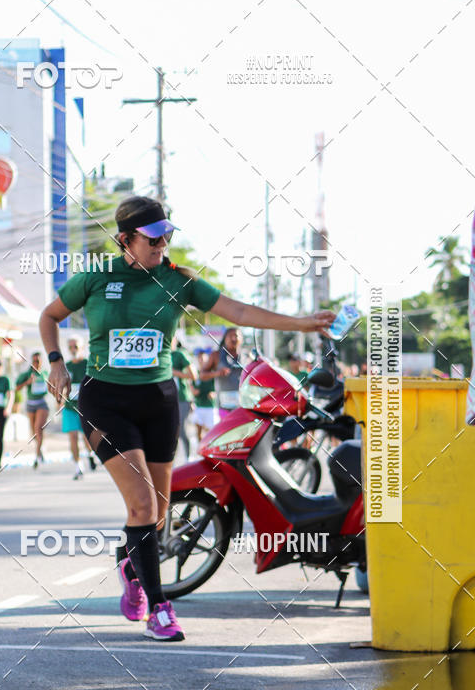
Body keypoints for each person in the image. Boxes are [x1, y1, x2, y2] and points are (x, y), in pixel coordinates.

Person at [39, 195, 334, 642]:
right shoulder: (97, 278)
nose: (163, 244)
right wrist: (57, 361)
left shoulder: (179, 281)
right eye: (153, 238)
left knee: (157, 515)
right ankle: (159, 609)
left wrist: (302, 324)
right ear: (125, 240)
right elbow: (49, 316)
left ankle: (129, 563)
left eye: (167, 235)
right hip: (105, 400)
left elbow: (237, 311)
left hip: (159, 401)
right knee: (140, 503)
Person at [63, 336, 97, 479]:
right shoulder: (66, 366)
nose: (73, 350)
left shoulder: (87, 364)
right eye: (70, 347)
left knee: (86, 438)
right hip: (69, 407)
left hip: (85, 408)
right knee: (72, 437)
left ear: (81, 348)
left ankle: (90, 454)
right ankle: (78, 467)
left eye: (75, 346)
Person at [201, 327, 244, 419]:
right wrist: (217, 373)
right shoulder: (216, 355)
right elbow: (202, 375)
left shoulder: (247, 357)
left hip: (243, 405)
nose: (233, 339)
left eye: (236, 336)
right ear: (225, 338)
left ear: (241, 339)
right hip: (224, 406)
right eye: (230, 336)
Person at [15, 352, 49, 468]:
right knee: (35, 433)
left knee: (38, 428)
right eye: (34, 361)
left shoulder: (45, 373)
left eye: (38, 361)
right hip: (30, 404)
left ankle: (37, 455)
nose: (36, 363)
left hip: (42, 403)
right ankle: (40, 449)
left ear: (42, 361)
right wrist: (27, 382)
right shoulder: (28, 374)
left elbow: (50, 386)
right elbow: (16, 388)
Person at [170, 336, 197, 460]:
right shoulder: (158, 354)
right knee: (168, 430)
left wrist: (174, 372)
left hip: (182, 398)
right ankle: (170, 460)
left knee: (181, 429)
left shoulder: (180, 354)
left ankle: (189, 457)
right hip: (165, 398)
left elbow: (193, 375)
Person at [191, 351, 217, 442]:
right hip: (199, 407)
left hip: (210, 407)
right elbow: (192, 389)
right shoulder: (196, 374)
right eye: (200, 359)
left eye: (203, 359)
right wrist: (193, 392)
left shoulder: (212, 374)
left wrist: (214, 394)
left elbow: (217, 389)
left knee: (211, 432)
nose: (201, 361)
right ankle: (201, 450)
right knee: (199, 432)